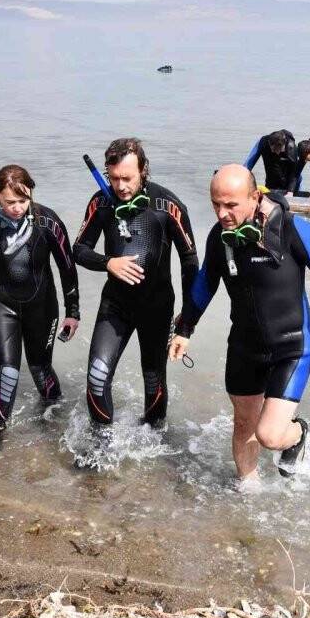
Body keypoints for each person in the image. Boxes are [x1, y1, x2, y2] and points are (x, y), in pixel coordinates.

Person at [168, 164, 310, 480]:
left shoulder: (293, 229)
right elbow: (205, 282)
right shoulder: (220, 237)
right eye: (216, 204)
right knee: (243, 423)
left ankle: (297, 434)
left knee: (268, 435)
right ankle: (248, 496)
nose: (222, 213)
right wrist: (185, 328)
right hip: (244, 345)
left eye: (231, 204)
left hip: (292, 346)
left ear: (255, 197)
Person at [74, 138, 199, 428]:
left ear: (143, 170)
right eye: (114, 178)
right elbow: (78, 250)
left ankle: (153, 446)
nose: (120, 187)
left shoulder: (167, 204)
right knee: (96, 377)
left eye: (127, 178)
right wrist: (108, 262)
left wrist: (187, 322)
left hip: (156, 306)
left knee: (153, 378)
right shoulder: (101, 202)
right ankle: (101, 449)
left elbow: (190, 262)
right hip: (116, 304)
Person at [0, 164, 80, 433]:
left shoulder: (48, 220)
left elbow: (67, 267)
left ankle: (54, 424)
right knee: (6, 372)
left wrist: (73, 312)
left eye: (23, 201)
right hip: (2, 305)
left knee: (40, 369)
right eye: (10, 201)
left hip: (43, 307)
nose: (17, 207)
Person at [244, 129, 300, 195]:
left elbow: (294, 173)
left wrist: (290, 191)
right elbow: (249, 164)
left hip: (291, 171)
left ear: (282, 146)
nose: (274, 152)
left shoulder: (292, 149)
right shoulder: (264, 142)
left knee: (296, 175)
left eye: (276, 150)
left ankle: (296, 191)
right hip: (271, 174)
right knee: (246, 170)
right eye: (273, 149)